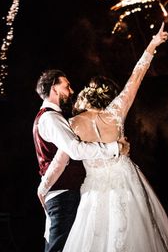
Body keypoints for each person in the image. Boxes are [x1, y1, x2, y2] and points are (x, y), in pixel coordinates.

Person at [38, 23, 168, 251]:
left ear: (85, 100)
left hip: (95, 189)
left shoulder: (72, 123)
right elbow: (136, 78)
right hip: (126, 181)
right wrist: (152, 45)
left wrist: (44, 186)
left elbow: (61, 160)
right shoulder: (116, 112)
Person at [33, 69, 131, 252]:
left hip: (59, 191)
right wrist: (114, 148)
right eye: (66, 86)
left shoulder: (47, 117)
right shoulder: (52, 118)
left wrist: (44, 185)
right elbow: (75, 150)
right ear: (54, 88)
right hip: (63, 194)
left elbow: (57, 158)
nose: (71, 91)